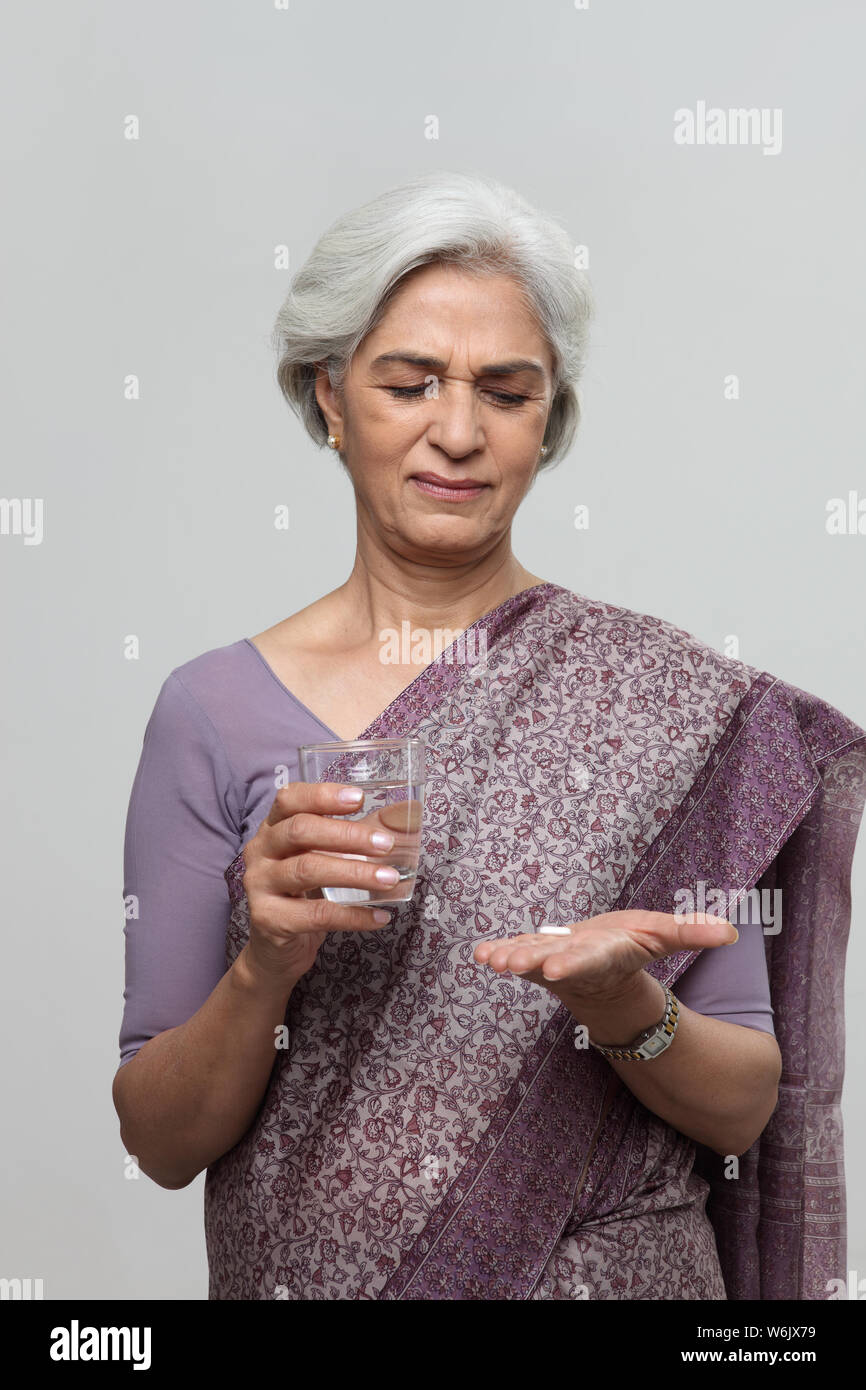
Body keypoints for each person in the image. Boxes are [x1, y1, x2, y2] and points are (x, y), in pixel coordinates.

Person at [112, 171, 866, 1300]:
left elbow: (742, 1104)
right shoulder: (213, 711)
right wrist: (265, 963)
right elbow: (161, 1143)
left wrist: (625, 1008)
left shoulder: (665, 706)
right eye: (409, 383)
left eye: (505, 393)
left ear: (546, 417)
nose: (456, 432)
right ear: (328, 392)